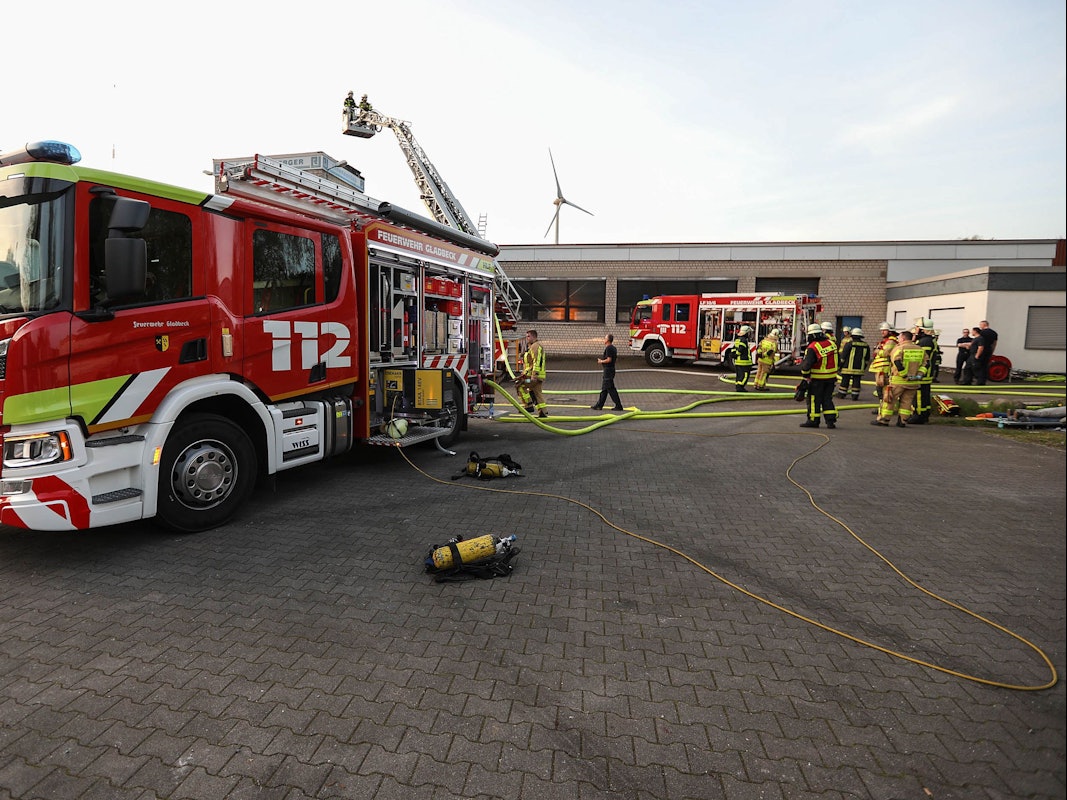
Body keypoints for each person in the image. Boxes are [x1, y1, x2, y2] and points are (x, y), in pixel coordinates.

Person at [872, 329, 926, 428]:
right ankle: (902, 421)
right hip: (914, 382)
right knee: (907, 402)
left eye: (900, 337)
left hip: (899, 381)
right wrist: (919, 375)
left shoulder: (899, 348)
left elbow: (897, 362)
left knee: (889, 399)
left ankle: (884, 420)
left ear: (903, 338)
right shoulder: (920, 349)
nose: (899, 339)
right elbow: (926, 364)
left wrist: (904, 375)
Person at [798, 323, 839, 428]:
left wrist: (805, 378)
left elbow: (806, 366)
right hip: (831, 378)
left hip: (817, 379)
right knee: (827, 399)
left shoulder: (812, 347)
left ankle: (813, 420)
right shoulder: (832, 343)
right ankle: (830, 421)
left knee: (813, 399)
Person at [907, 317, 937, 424]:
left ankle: (918, 416)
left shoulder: (925, 342)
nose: (915, 329)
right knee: (924, 395)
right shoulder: (927, 340)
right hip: (925, 373)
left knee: (919, 395)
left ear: (922, 329)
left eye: (917, 327)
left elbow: (922, 358)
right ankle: (924, 415)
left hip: (922, 373)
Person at [518, 329, 548, 418]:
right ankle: (542, 412)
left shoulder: (535, 346)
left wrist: (534, 375)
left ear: (534, 336)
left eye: (528, 336)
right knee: (536, 392)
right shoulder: (532, 346)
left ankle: (528, 405)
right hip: (536, 376)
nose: (527, 338)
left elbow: (537, 361)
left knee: (519, 384)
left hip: (533, 376)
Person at [591, 333, 624, 411]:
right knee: (604, 389)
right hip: (610, 369)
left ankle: (618, 405)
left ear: (608, 340)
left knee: (611, 389)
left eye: (605, 338)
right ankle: (599, 405)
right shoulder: (613, 348)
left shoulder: (609, 348)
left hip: (608, 370)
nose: (604, 339)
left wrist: (601, 361)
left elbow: (609, 359)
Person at [835, 327, 870, 400]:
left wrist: (839, 366)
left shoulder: (849, 344)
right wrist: (863, 367)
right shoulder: (866, 345)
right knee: (856, 382)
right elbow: (867, 358)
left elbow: (843, 356)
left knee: (845, 381)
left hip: (847, 367)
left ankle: (841, 394)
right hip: (859, 368)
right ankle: (855, 396)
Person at [868, 323, 897, 406]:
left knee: (883, 389)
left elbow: (885, 353)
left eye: (884, 330)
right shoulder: (886, 341)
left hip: (884, 369)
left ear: (890, 331)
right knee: (880, 389)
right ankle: (882, 407)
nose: (882, 332)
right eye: (882, 330)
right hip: (880, 369)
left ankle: (884, 407)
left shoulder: (891, 341)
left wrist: (877, 350)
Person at [971, 320, 998, 385]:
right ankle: (982, 382)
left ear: (984, 325)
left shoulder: (982, 333)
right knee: (985, 366)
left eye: (980, 325)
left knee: (977, 366)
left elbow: (979, 342)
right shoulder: (994, 333)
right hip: (988, 350)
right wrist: (992, 351)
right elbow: (994, 344)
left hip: (981, 350)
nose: (980, 326)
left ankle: (978, 381)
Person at [729, 325, 754, 391]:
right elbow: (741, 349)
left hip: (738, 362)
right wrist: (736, 354)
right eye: (749, 333)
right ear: (746, 333)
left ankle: (738, 386)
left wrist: (733, 354)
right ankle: (740, 387)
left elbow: (734, 348)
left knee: (739, 375)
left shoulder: (737, 339)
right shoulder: (744, 340)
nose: (749, 334)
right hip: (744, 362)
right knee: (745, 375)